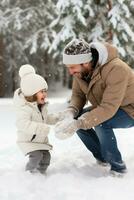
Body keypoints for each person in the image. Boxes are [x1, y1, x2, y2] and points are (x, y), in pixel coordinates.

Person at [55, 38, 134, 176]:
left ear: (85, 62)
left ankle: (118, 168)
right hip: (107, 107)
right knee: (79, 119)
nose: (70, 72)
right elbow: (78, 96)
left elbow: (108, 107)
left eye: (72, 67)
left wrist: (79, 123)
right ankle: (103, 158)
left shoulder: (116, 69)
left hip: (129, 109)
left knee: (100, 122)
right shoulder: (81, 72)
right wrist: (71, 112)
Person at [14, 64, 58, 174]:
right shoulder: (25, 109)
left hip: (40, 140)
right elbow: (21, 123)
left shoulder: (41, 107)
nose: (45, 94)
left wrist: (58, 118)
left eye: (45, 91)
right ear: (32, 93)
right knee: (36, 156)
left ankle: (40, 174)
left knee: (46, 157)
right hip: (28, 140)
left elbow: (46, 118)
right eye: (41, 91)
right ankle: (29, 174)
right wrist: (39, 128)